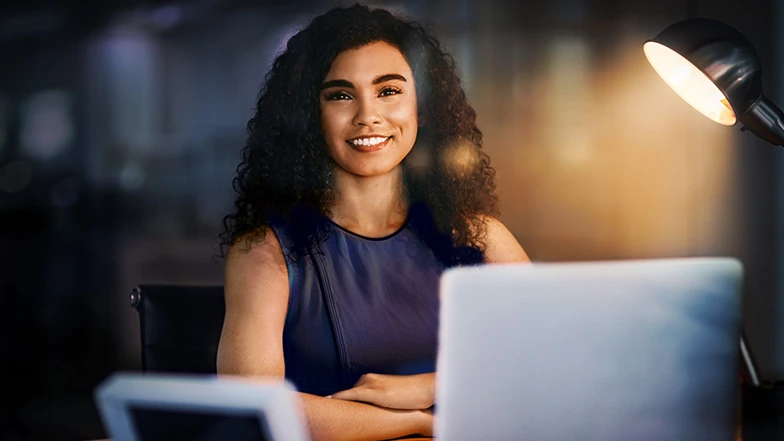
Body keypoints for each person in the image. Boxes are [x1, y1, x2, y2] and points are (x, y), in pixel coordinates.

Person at [216, 4, 530, 440]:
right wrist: (421, 421)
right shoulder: (264, 254)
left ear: (423, 104)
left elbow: (547, 362)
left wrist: (425, 388)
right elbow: (251, 404)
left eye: (389, 91)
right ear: (311, 116)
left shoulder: (480, 236)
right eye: (341, 95)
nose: (368, 115)